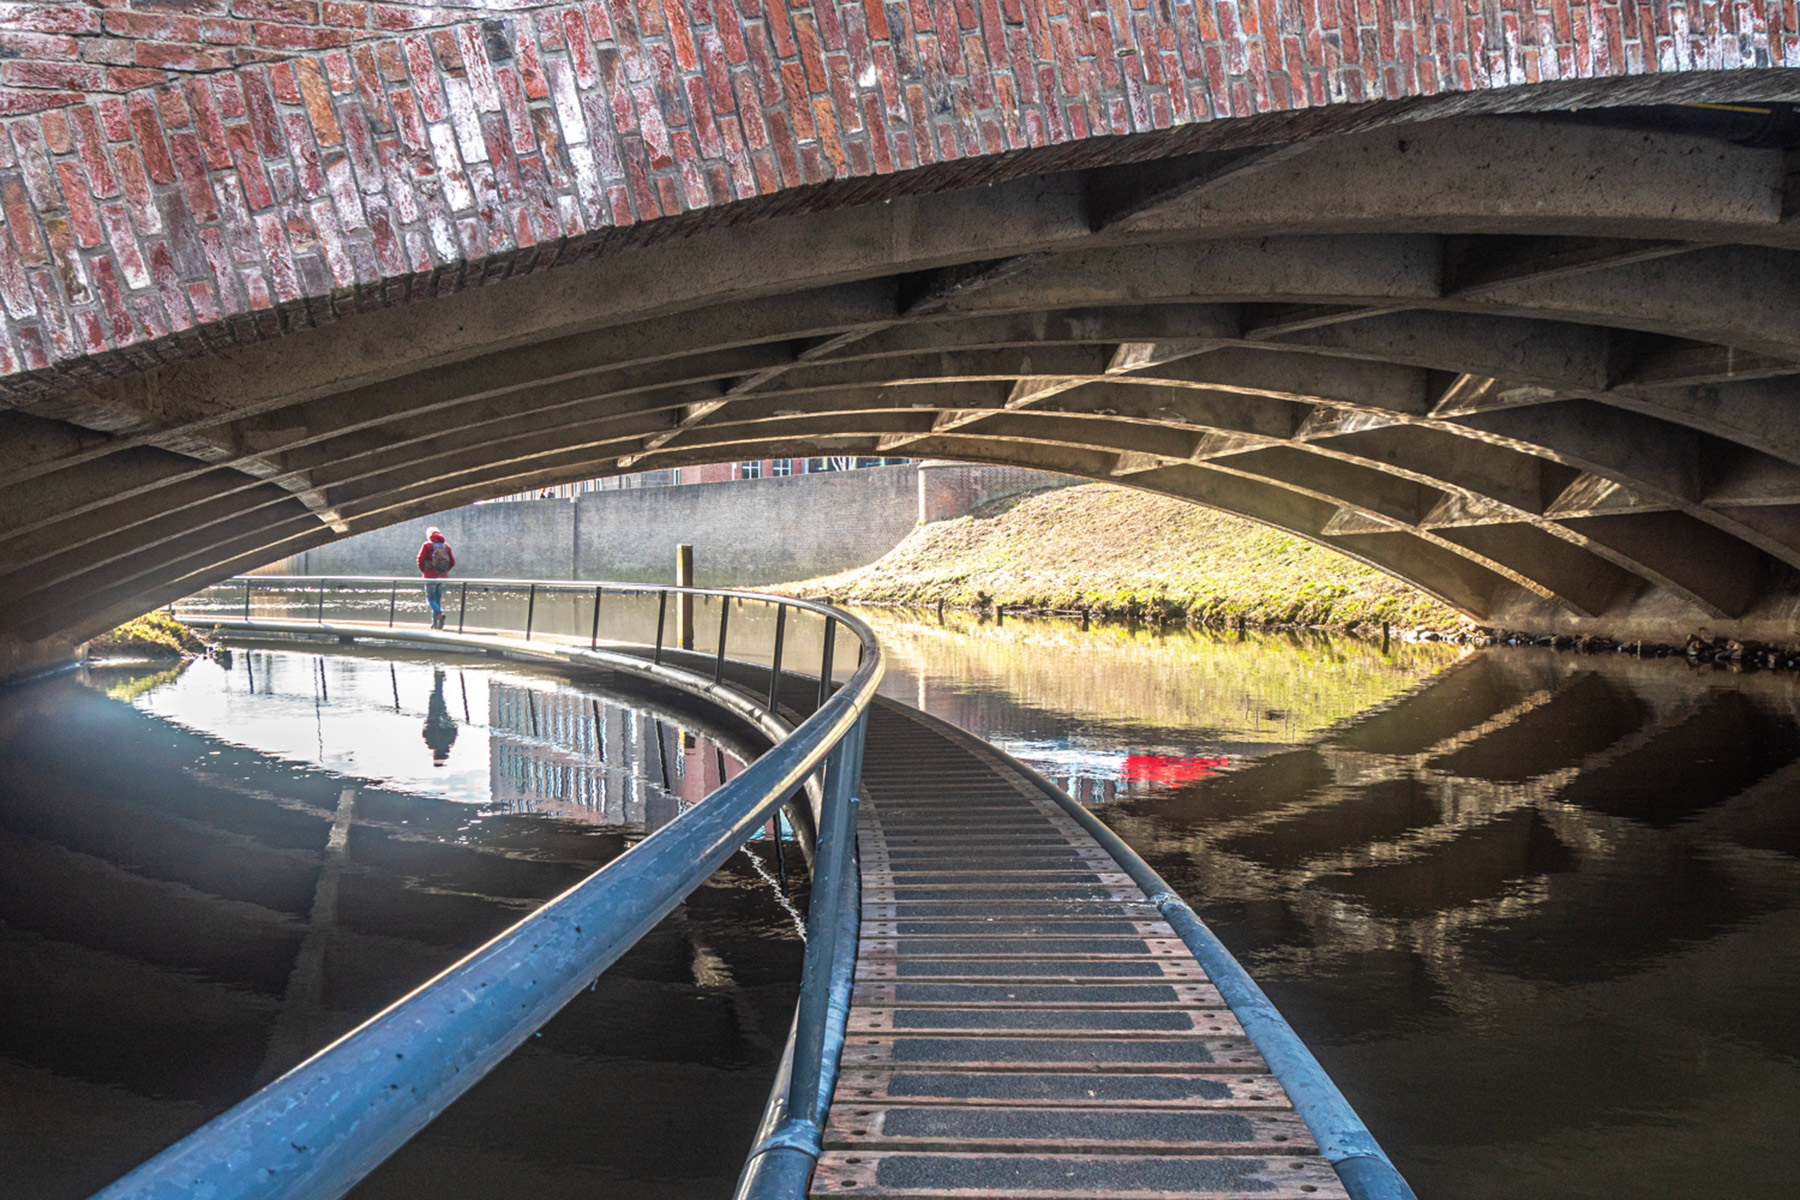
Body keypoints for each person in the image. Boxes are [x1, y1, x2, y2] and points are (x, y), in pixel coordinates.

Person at [417, 526, 454, 628]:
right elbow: (452, 562)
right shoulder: (446, 546)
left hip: (430, 576)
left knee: (431, 599)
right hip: (442, 578)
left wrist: (424, 571)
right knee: (437, 599)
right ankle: (435, 623)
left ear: (429, 535)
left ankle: (438, 613)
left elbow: (420, 559)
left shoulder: (427, 545)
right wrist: (444, 572)